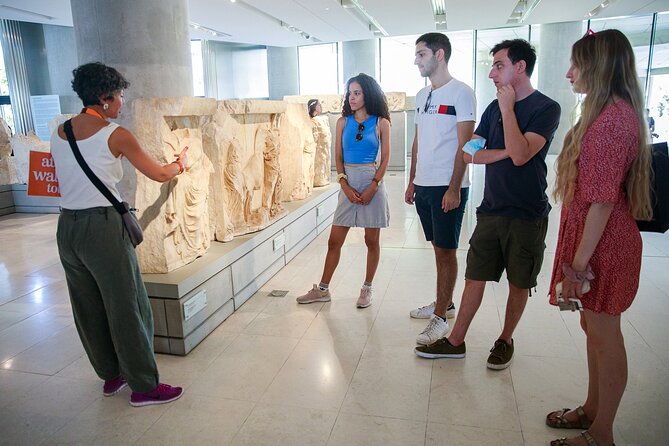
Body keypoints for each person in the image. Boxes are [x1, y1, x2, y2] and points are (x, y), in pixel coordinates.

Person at [415, 39, 561, 371]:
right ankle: (455, 342)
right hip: (492, 207)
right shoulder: (492, 109)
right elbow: (470, 152)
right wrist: (510, 149)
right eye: (493, 66)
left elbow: (524, 155)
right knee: (475, 277)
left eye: (499, 65)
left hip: (526, 213)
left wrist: (509, 112)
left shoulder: (545, 108)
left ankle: (505, 339)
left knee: (519, 282)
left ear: (520, 67)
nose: (492, 73)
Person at [51, 62, 187, 407]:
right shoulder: (115, 134)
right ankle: (144, 386)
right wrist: (179, 164)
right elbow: (158, 173)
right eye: (120, 95)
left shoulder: (59, 131)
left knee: (88, 305)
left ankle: (112, 376)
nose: (122, 102)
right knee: (127, 305)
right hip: (102, 228)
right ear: (104, 97)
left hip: (67, 227)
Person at [545, 29, 652, 446]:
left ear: (600, 67)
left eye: (577, 64)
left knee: (606, 337)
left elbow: (602, 202)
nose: (570, 73)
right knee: (593, 327)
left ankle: (602, 433)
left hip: (603, 245)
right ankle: (592, 409)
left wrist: (577, 265)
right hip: (596, 241)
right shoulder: (607, 112)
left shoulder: (612, 120)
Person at [405, 32, 476, 345]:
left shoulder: (462, 93)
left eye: (421, 54)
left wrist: (454, 187)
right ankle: (442, 302)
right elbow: (418, 141)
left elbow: (466, 144)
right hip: (424, 184)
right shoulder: (422, 96)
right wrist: (411, 181)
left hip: (448, 186)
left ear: (440, 54)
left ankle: (440, 318)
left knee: (447, 250)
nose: (416, 60)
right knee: (437, 248)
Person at [296, 73, 391, 308]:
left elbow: (386, 157)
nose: (352, 97)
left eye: (357, 93)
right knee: (334, 240)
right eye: (350, 93)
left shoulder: (382, 122)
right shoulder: (342, 122)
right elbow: (337, 156)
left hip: (372, 181)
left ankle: (367, 288)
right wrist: (343, 184)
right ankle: (323, 289)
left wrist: (373, 186)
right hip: (347, 181)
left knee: (371, 240)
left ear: (368, 94)